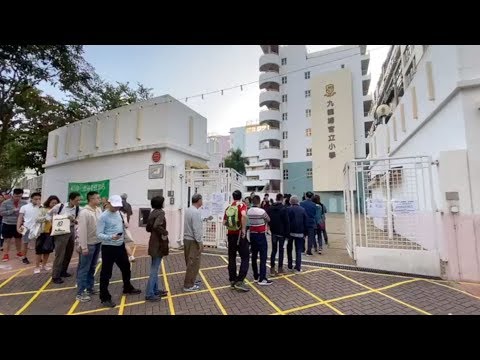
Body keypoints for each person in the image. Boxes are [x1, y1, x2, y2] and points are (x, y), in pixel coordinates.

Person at [97, 195, 141, 308]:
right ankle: (104, 297)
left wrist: (124, 226)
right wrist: (111, 237)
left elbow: (122, 225)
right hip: (109, 248)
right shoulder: (103, 217)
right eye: (115, 206)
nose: (117, 208)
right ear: (109, 203)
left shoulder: (119, 213)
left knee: (126, 268)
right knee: (106, 273)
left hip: (120, 246)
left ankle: (127, 287)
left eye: (118, 206)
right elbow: (99, 235)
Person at [48, 192, 82, 284]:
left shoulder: (78, 208)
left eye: (79, 200)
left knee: (69, 251)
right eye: (76, 200)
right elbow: (48, 215)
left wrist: (75, 220)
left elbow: (79, 219)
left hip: (71, 229)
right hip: (61, 230)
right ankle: (55, 275)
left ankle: (63, 271)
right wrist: (55, 221)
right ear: (71, 199)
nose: (78, 202)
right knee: (60, 254)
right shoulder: (60, 206)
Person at [75, 191, 103, 302]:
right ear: (91, 199)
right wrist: (83, 246)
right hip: (88, 244)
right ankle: (80, 292)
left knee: (92, 267)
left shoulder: (98, 210)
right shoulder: (84, 213)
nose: (99, 200)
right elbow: (81, 231)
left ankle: (90, 287)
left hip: (97, 242)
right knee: (84, 268)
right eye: (97, 198)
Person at [223, 190, 249, 292]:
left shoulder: (229, 207)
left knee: (232, 257)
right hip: (239, 235)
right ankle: (240, 281)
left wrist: (231, 226)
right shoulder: (242, 205)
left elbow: (224, 222)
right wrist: (243, 229)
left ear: (233, 197)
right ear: (241, 197)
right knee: (245, 257)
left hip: (231, 235)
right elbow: (244, 215)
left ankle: (232, 280)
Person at [145, 196, 169, 301]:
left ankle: (155, 290)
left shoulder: (153, 212)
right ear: (161, 203)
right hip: (158, 243)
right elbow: (156, 226)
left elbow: (148, 228)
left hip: (153, 242)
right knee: (154, 269)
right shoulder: (160, 213)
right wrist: (165, 232)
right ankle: (149, 294)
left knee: (155, 267)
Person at [247, 195, 272, 285]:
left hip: (252, 234)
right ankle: (262, 278)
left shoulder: (248, 211)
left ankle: (256, 276)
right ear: (259, 202)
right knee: (263, 256)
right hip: (261, 235)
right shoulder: (262, 211)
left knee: (254, 256)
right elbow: (268, 219)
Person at [183, 194, 204, 292]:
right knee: (193, 263)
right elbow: (196, 228)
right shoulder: (195, 212)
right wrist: (199, 242)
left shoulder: (188, 210)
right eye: (201, 200)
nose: (202, 201)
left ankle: (191, 281)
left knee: (189, 261)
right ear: (199, 200)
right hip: (193, 240)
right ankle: (188, 285)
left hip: (187, 239)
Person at [0, 189, 28, 262]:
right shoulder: (5, 202)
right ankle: (5, 254)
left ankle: (19, 252)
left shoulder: (24, 203)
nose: (17, 198)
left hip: (20, 224)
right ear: (13, 195)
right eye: (16, 196)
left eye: (19, 196)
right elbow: (2, 213)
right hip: (7, 224)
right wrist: (13, 210)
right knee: (7, 240)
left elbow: (27, 213)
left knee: (19, 239)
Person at [35, 196, 59, 273]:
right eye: (53, 203)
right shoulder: (43, 209)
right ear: (49, 202)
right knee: (39, 250)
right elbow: (37, 219)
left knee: (48, 250)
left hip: (52, 232)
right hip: (42, 232)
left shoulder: (58, 211)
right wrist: (46, 218)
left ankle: (44, 265)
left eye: (56, 203)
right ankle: (37, 266)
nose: (54, 204)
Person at [266, 193, 290, 276]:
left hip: (274, 232)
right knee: (281, 250)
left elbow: (268, 219)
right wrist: (287, 234)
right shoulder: (284, 208)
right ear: (282, 199)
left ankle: (272, 269)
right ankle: (280, 268)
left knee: (274, 250)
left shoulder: (270, 208)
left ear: (276, 198)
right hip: (282, 233)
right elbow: (287, 222)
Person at [17, 192, 42, 265]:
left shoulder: (41, 207)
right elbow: (20, 218)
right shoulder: (24, 207)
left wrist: (40, 207)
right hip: (26, 227)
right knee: (24, 243)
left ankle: (38, 257)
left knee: (38, 243)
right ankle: (24, 257)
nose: (37, 200)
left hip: (37, 227)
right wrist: (18, 227)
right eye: (35, 199)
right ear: (31, 199)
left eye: (39, 199)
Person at [287, 195, 308, 273]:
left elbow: (286, 222)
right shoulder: (302, 210)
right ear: (297, 201)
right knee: (298, 250)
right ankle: (298, 267)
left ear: (290, 202)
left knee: (289, 249)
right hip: (300, 233)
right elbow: (306, 222)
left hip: (290, 233)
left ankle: (289, 265)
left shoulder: (288, 209)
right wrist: (305, 233)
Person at [300, 191, 317, 256]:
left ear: (306, 196)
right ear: (312, 197)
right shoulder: (314, 204)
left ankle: (302, 249)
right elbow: (314, 213)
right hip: (311, 222)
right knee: (310, 237)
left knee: (302, 236)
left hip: (303, 222)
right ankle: (309, 251)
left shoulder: (301, 203)